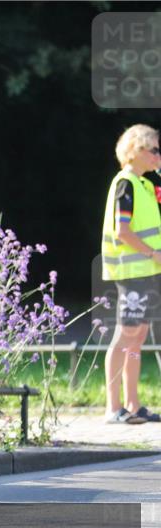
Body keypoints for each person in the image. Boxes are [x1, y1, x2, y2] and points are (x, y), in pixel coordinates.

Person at [101, 124, 161, 424]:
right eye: (154, 150)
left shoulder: (146, 186)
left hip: (147, 272)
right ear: (137, 151)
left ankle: (134, 404)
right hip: (132, 272)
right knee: (125, 335)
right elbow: (123, 230)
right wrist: (153, 253)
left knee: (137, 337)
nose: (158, 156)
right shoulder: (125, 184)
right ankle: (113, 408)